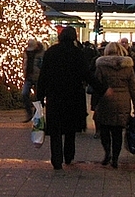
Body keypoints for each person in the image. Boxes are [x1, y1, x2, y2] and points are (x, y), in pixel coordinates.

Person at [37, 26, 107, 170]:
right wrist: (102, 90)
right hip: (73, 96)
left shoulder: (51, 52)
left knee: (56, 129)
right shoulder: (77, 53)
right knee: (70, 129)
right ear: (74, 37)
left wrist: (39, 97)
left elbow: (43, 76)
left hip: (54, 96)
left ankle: (56, 159)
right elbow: (87, 75)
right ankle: (69, 156)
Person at [93, 42, 135, 168]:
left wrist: (94, 104)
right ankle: (115, 158)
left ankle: (107, 153)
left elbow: (96, 85)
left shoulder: (101, 65)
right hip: (123, 102)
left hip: (105, 100)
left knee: (104, 129)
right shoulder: (128, 66)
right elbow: (133, 87)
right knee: (117, 132)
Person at [21, 38, 44, 122]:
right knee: (24, 93)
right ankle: (30, 113)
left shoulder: (41, 53)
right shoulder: (26, 52)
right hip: (28, 76)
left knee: (38, 97)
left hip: (38, 77)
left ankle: (37, 115)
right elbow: (25, 63)